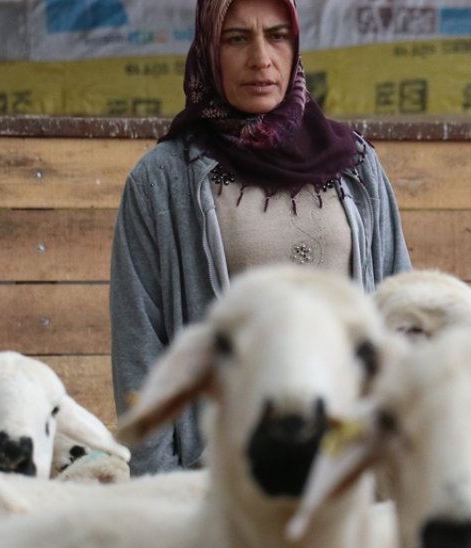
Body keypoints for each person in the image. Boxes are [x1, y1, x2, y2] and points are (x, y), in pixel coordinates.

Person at [109, 0, 412, 475]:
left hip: (350, 462)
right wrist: (161, 486)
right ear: (209, 48)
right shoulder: (163, 181)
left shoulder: (355, 164)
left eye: (277, 35)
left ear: (295, 45)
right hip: (227, 470)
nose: (260, 58)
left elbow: (400, 306)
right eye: (236, 39)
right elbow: (140, 344)